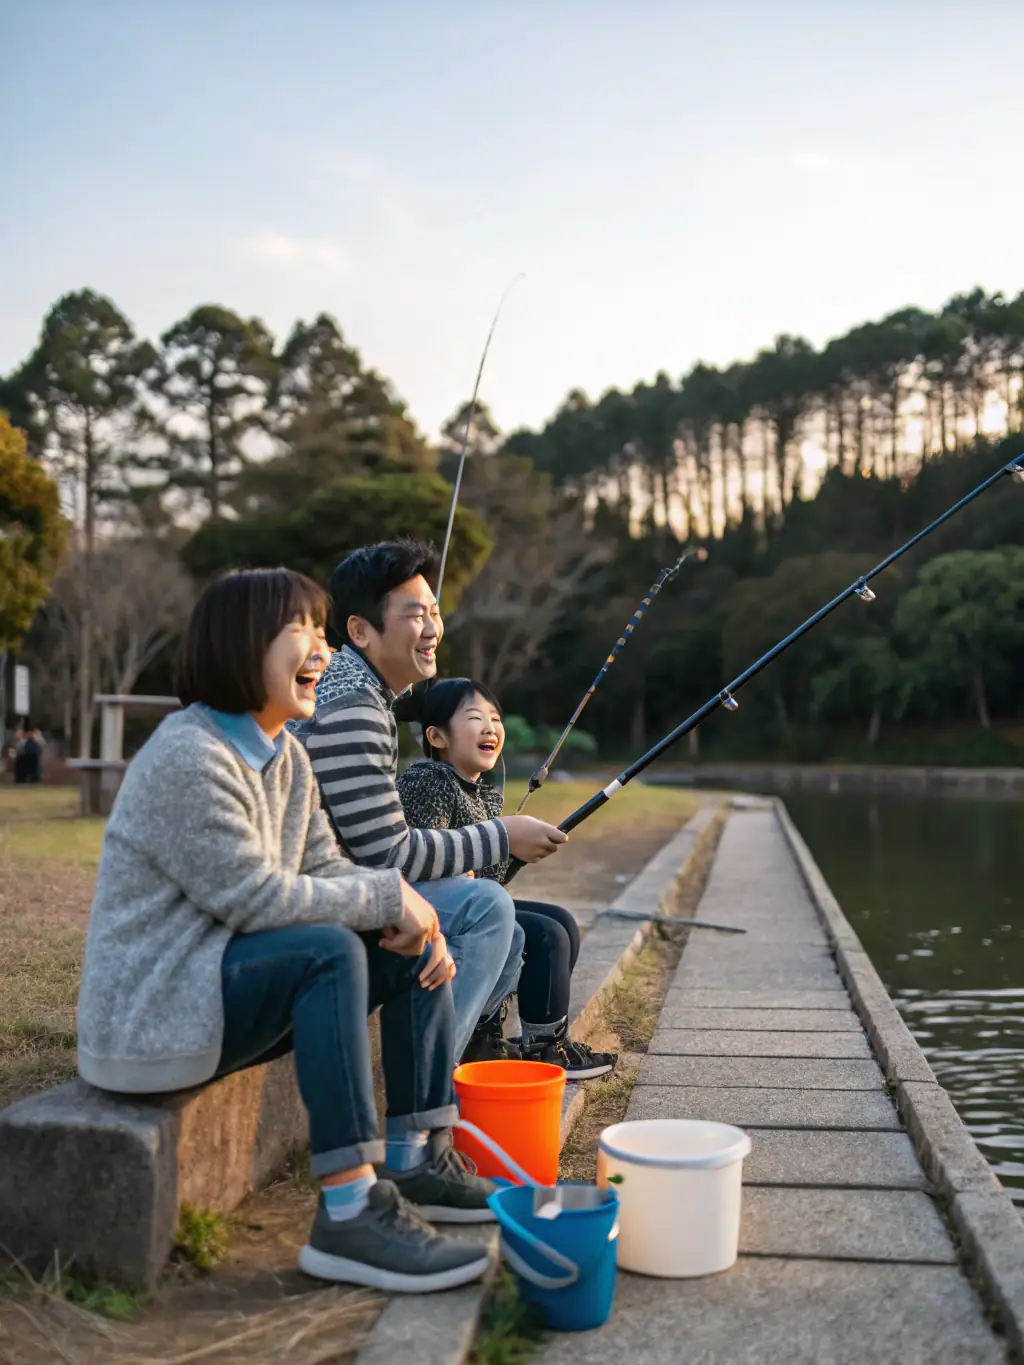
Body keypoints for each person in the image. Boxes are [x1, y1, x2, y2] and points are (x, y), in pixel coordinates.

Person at [76, 567, 495, 1294]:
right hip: (153, 1019)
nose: (323, 651)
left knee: (412, 943)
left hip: (221, 989)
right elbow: (253, 897)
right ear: (242, 646)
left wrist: (403, 907)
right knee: (332, 947)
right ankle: (350, 1211)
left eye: (323, 633)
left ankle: (417, 1157)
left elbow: (326, 865)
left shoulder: (287, 755)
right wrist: (391, 894)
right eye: (301, 630)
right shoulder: (190, 753)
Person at [293, 538, 569, 1062]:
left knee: (508, 933)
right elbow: (390, 857)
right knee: (487, 907)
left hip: (335, 887)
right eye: (415, 614)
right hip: (317, 902)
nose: (432, 629)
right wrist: (504, 836)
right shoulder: (353, 703)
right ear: (359, 630)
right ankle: (429, 1081)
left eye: (435, 613)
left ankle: (461, 1057)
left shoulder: (363, 691)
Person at [397, 678, 617, 1080]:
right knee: (541, 934)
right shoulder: (426, 780)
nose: (490, 728)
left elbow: (489, 878)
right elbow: (424, 865)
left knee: (561, 921)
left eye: (495, 719)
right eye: (475, 717)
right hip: (427, 907)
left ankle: (518, 1038)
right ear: (437, 736)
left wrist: (518, 851)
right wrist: (502, 842)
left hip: (473, 901)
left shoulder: (486, 794)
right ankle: (540, 1049)